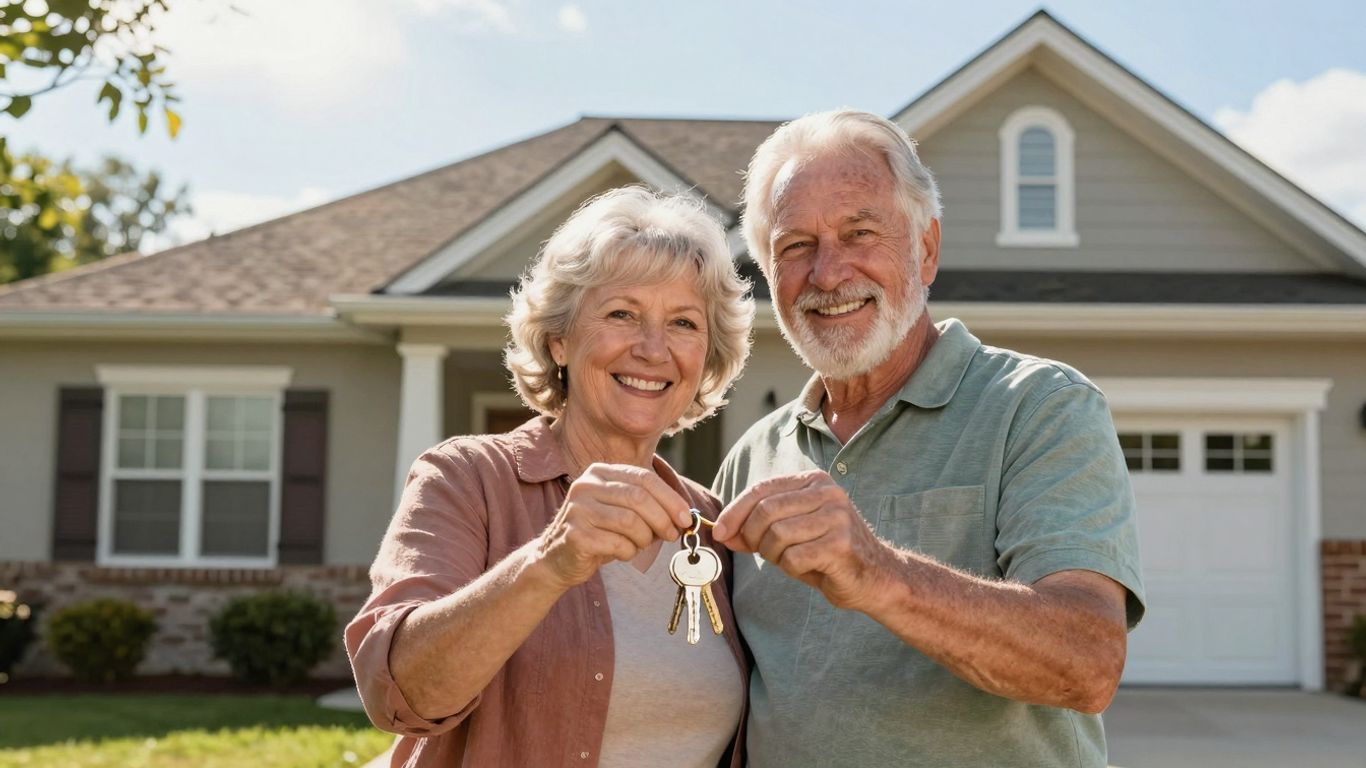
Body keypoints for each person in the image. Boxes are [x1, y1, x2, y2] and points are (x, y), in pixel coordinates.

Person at [709, 109, 1146, 768]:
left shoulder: (1039, 407)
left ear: (927, 248)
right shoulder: (752, 457)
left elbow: (1087, 663)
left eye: (860, 233)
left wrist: (876, 572)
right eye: (795, 245)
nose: (828, 273)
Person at [346, 186, 755, 767]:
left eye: (684, 323)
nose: (653, 348)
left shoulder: (712, 528)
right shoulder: (467, 479)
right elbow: (399, 696)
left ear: (707, 356)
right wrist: (551, 561)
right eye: (622, 314)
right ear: (560, 339)